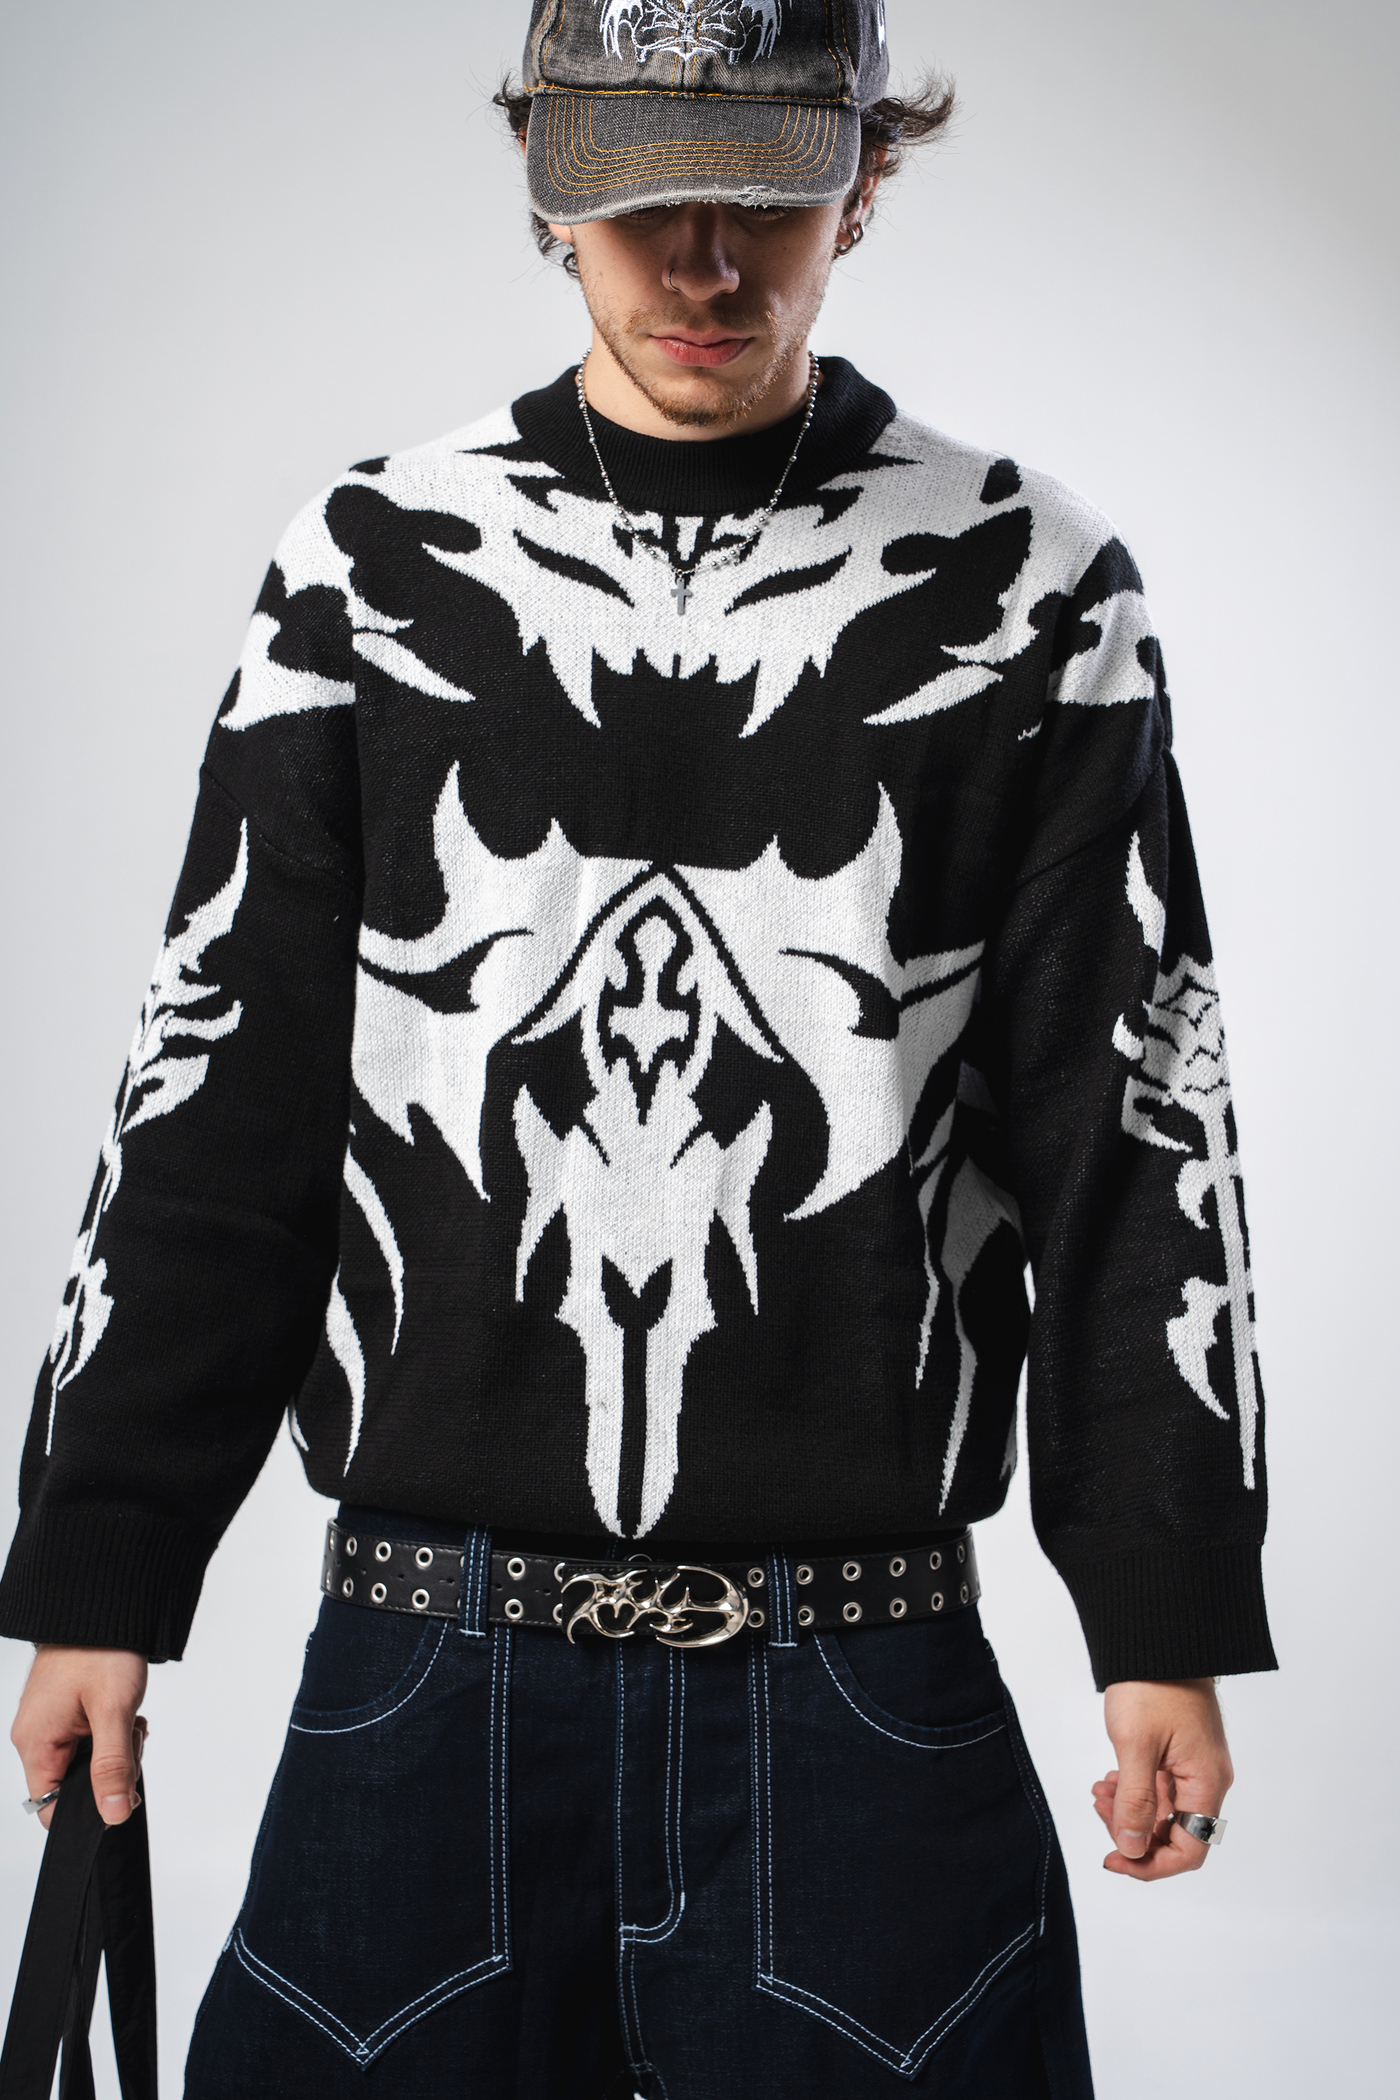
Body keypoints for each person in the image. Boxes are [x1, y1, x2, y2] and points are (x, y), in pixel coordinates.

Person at [4, 3, 1276, 2093]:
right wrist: (103, 1569)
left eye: (763, 197)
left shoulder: (1031, 587)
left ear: (863, 180)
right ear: (543, 188)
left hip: (858, 1672)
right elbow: (225, 1092)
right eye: (638, 198)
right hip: (426, 1660)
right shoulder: (371, 571)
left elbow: (1127, 1127)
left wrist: (1161, 1612)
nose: (704, 264)